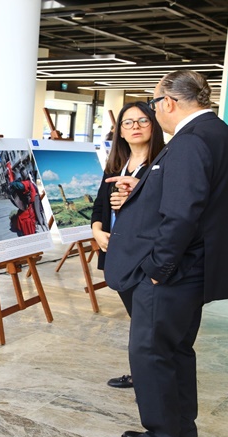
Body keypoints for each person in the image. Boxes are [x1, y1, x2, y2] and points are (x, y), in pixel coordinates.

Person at [103, 70, 228, 437]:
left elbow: (183, 214)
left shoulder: (190, 140)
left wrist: (157, 270)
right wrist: (146, 189)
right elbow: (195, 196)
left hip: (173, 273)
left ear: (168, 102)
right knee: (175, 352)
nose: (154, 112)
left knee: (151, 355)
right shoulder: (221, 135)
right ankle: (182, 435)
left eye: (153, 104)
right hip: (195, 267)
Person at [91, 102, 164, 390]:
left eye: (142, 121)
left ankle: (149, 378)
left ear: (154, 125)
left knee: (149, 322)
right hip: (115, 252)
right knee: (138, 318)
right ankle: (143, 373)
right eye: (128, 122)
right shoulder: (115, 165)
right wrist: (97, 231)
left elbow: (167, 210)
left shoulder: (161, 164)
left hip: (145, 255)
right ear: (119, 131)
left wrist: (133, 204)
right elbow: (99, 206)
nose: (135, 127)